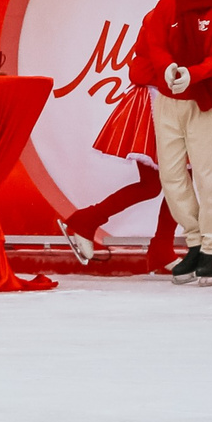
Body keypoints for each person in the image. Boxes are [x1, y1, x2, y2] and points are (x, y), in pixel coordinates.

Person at [129, 0, 212, 284]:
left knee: (207, 177)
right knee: (172, 177)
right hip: (167, 100)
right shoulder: (167, 7)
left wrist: (194, 73)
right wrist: (168, 68)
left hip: (202, 102)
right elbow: (155, 43)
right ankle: (194, 242)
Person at [55, 74, 180, 273]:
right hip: (159, 102)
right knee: (168, 185)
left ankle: (87, 219)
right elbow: (144, 66)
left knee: (160, 186)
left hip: (172, 101)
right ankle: (161, 248)